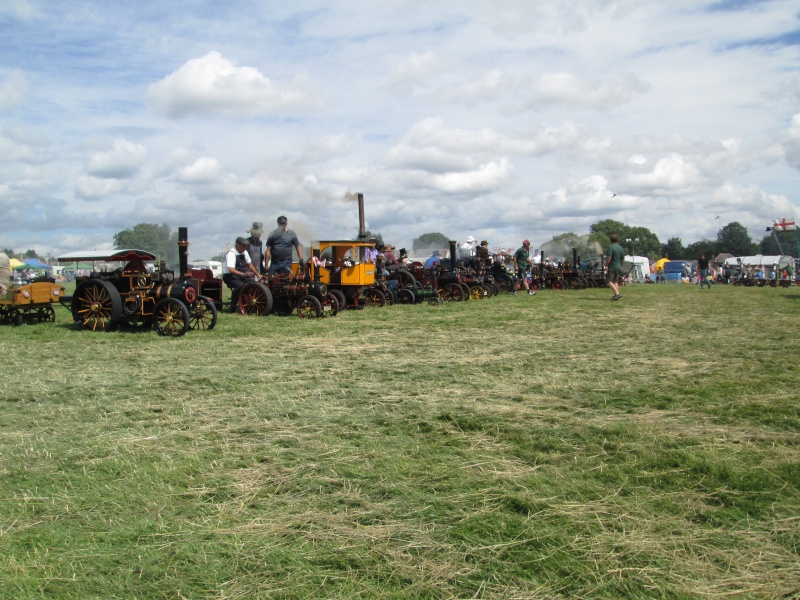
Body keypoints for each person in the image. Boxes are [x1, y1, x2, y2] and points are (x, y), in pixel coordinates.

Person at [223, 237, 262, 313]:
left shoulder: (245, 252)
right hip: (230, 276)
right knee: (239, 286)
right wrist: (244, 274)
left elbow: (250, 264)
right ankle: (232, 307)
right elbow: (231, 270)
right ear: (237, 245)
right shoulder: (231, 253)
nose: (245, 247)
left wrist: (257, 274)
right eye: (243, 245)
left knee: (254, 284)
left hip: (242, 275)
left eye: (246, 245)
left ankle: (250, 305)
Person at [605, 233, 625, 301]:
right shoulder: (620, 248)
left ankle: (617, 293)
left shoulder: (611, 247)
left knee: (608, 281)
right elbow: (622, 259)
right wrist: (621, 266)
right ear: (617, 240)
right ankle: (615, 295)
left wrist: (606, 265)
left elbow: (609, 258)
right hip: (618, 267)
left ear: (611, 240)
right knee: (615, 282)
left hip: (612, 267)